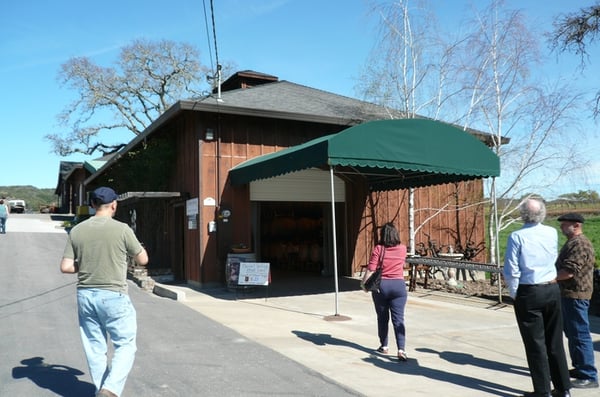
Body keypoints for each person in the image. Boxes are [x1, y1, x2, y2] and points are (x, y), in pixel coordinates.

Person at [60, 187, 148, 397]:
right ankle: (110, 389)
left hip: (86, 295)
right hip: (113, 295)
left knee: (94, 348)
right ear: (114, 205)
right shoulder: (122, 229)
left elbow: (65, 267)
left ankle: (102, 390)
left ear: (92, 205)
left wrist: (88, 264)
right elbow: (143, 260)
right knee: (125, 344)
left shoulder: (77, 230)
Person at [503, 197, 571, 397]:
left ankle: (542, 391)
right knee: (555, 341)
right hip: (551, 288)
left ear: (523, 214)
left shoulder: (516, 236)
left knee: (535, 343)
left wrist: (515, 293)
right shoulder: (551, 232)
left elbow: (511, 269)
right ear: (542, 213)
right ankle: (563, 388)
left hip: (529, 290)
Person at [555, 212, 599, 389]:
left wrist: (551, 278)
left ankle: (588, 374)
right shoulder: (573, 242)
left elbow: (570, 270)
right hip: (569, 294)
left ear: (576, 225)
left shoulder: (580, 244)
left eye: (565, 224)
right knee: (573, 333)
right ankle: (580, 366)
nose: (561, 227)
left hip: (576, 294)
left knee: (579, 334)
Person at [360, 222, 408, 361]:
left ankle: (384, 346)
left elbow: (371, 270)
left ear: (382, 235)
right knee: (399, 319)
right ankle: (401, 350)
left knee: (382, 318)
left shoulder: (379, 249)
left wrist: (364, 285)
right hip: (399, 286)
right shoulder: (403, 249)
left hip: (382, 287)